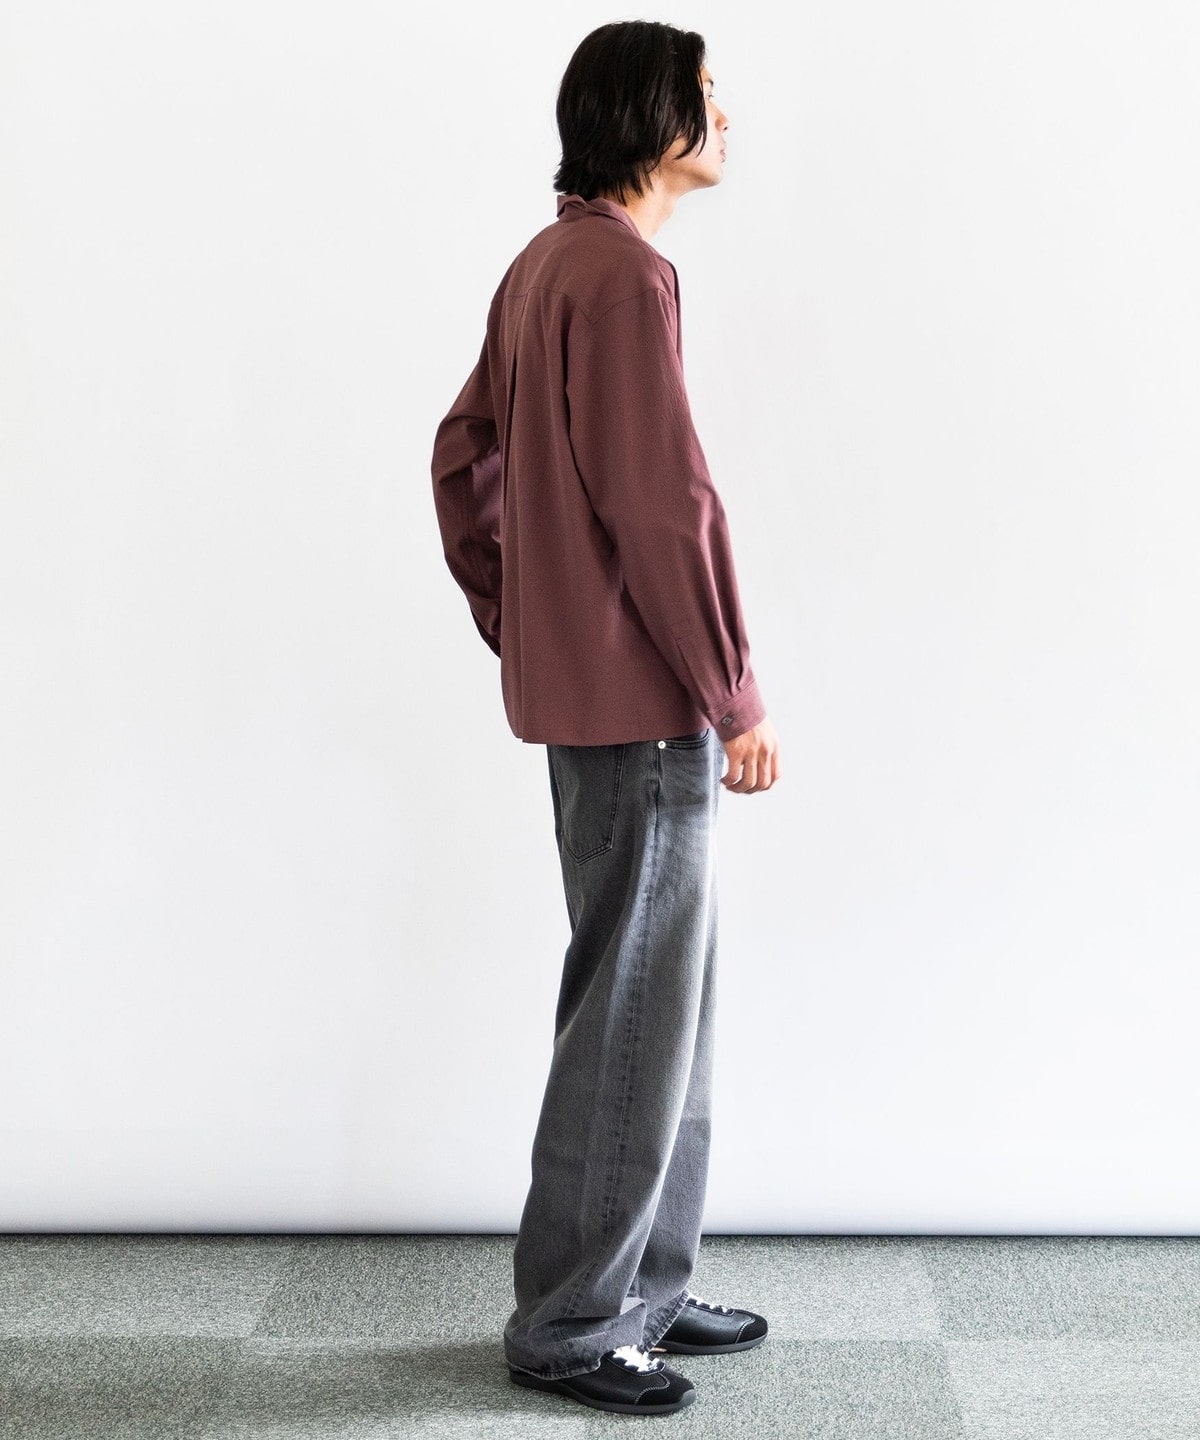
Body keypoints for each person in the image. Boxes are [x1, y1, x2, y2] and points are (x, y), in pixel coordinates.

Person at [430, 19, 781, 1417]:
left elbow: (461, 459)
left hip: (600, 699)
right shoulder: (625, 275)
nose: (725, 117)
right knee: (637, 1009)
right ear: (651, 115)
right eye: (707, 95)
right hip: (646, 704)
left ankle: (640, 1280)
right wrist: (732, 690)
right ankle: (576, 1325)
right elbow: (664, 505)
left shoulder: (545, 264)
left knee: (658, 1005)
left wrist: (523, 616)